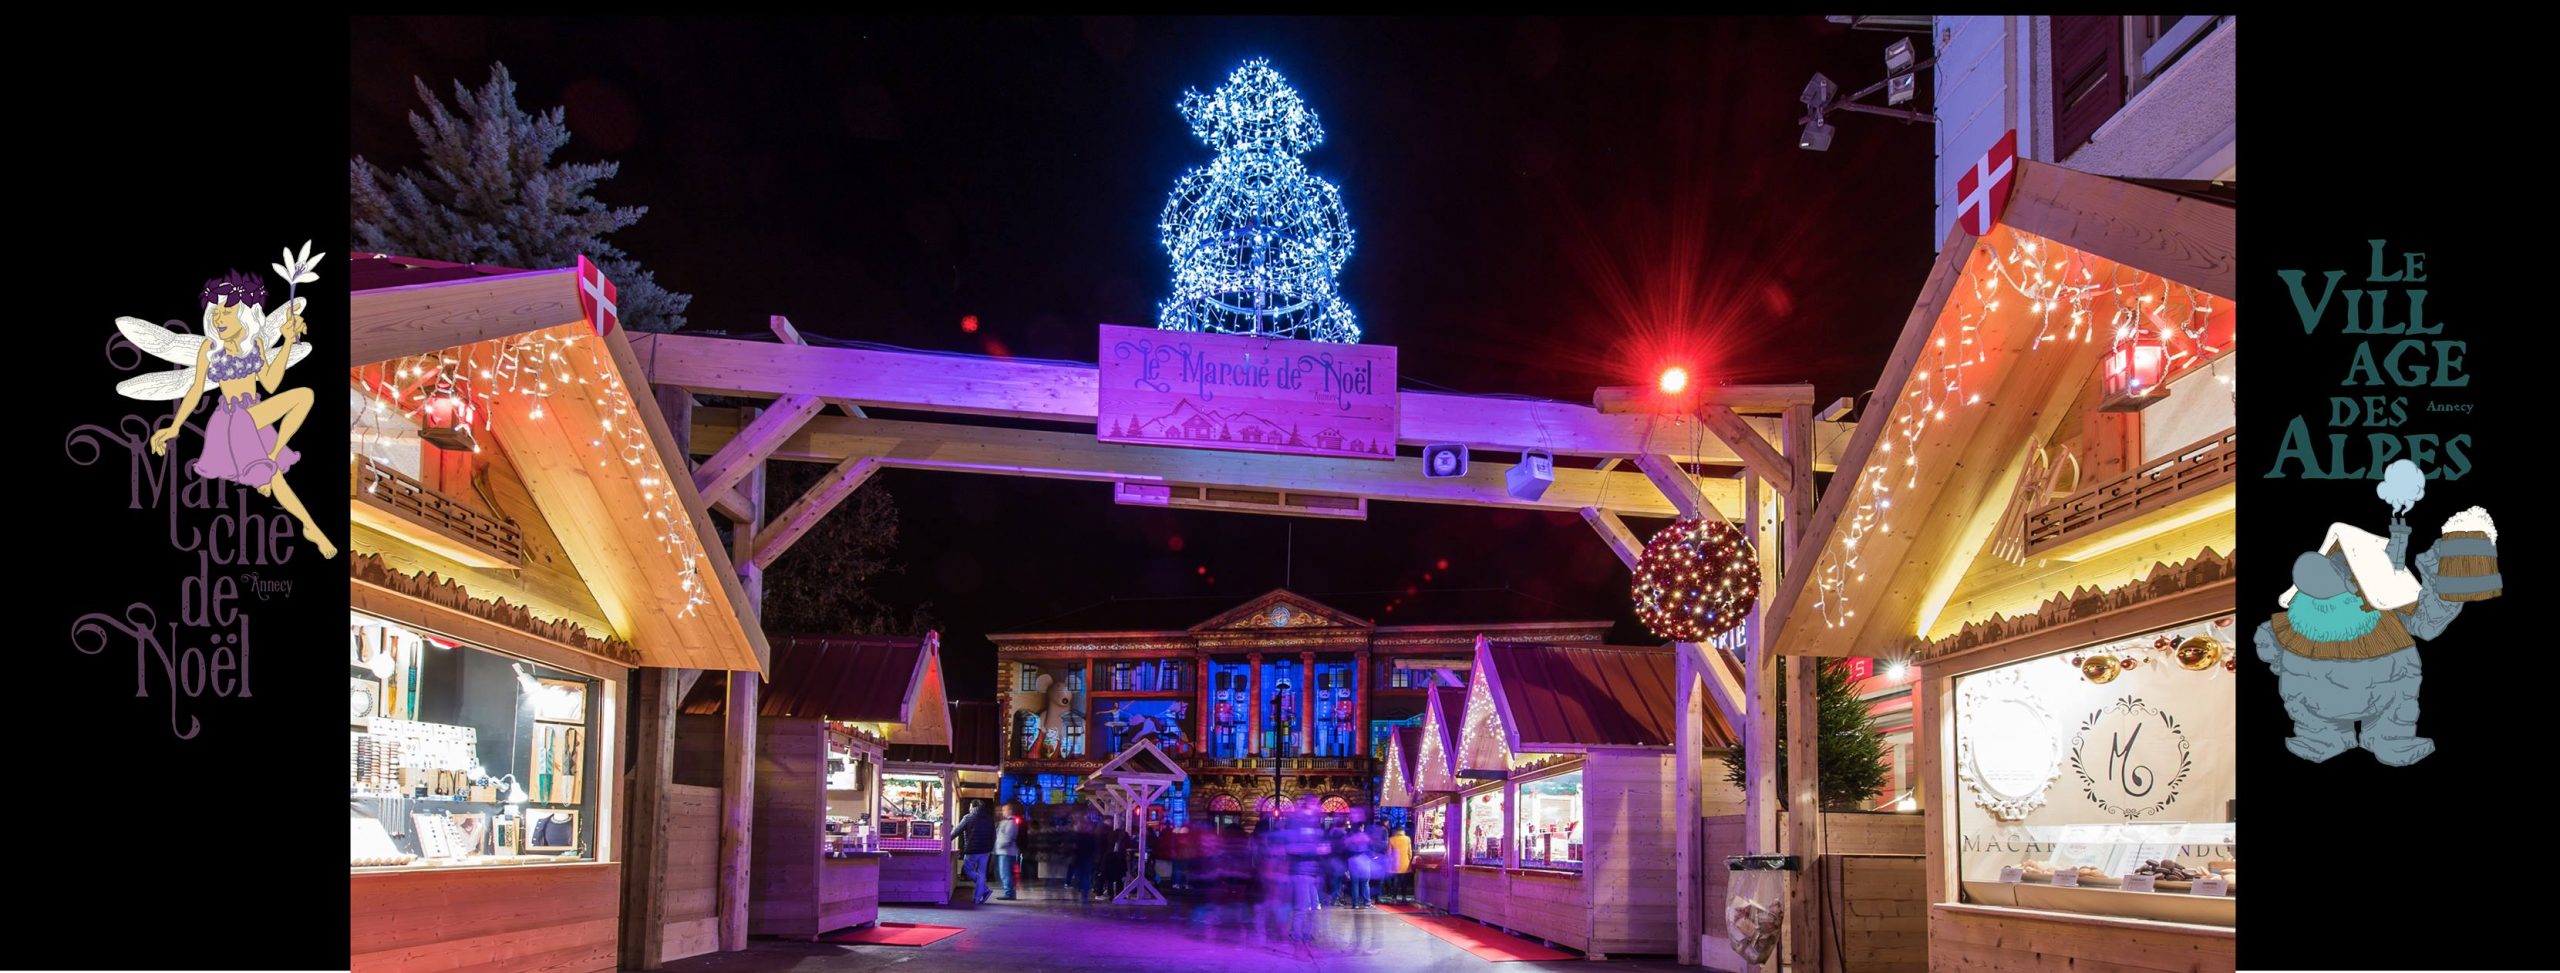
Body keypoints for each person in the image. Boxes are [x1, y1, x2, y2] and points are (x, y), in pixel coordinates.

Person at [951, 799, 998, 904]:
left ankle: (985, 890)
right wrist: (990, 847)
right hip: (985, 851)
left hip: (972, 850)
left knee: (968, 870)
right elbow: (994, 836)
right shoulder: (989, 819)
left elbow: (956, 831)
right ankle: (978, 897)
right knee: (981, 874)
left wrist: (945, 840)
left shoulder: (968, 817)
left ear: (972, 806)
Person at [992, 802, 1022, 900]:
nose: (1002, 812)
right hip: (1004, 852)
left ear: (1010, 811)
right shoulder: (1007, 822)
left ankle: (1009, 893)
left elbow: (1008, 837)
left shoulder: (1011, 822)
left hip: (1006, 852)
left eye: (1004, 810)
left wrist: (999, 845)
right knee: (1004, 873)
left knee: (1005, 873)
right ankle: (1009, 891)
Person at [1387, 826, 1414, 902]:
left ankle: (1394, 897)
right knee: (1404, 881)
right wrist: (1409, 860)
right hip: (1405, 863)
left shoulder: (1391, 839)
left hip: (1395, 863)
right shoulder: (1407, 839)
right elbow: (1410, 852)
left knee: (1395, 881)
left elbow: (1389, 853)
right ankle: (1404, 897)